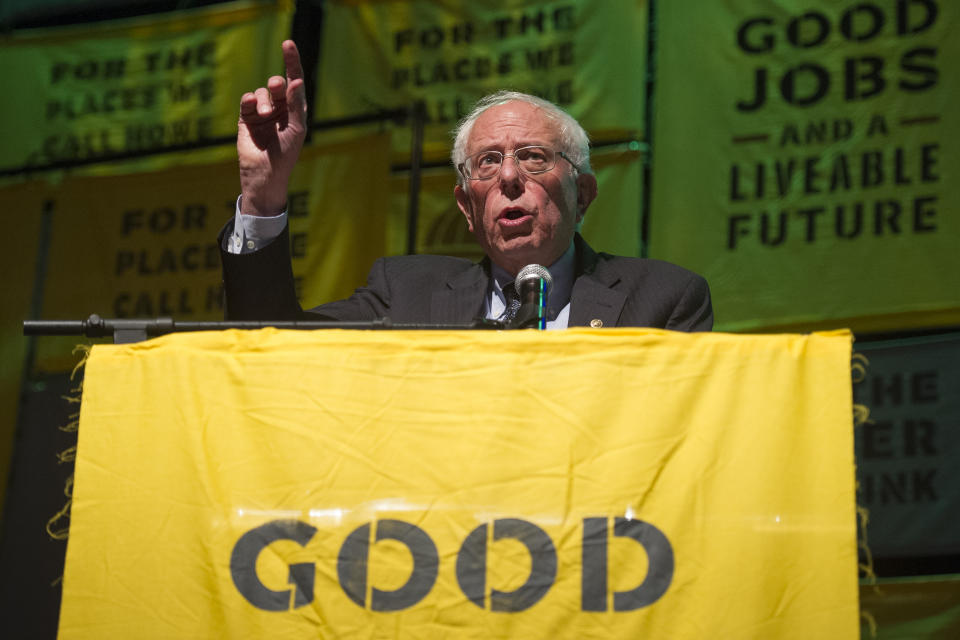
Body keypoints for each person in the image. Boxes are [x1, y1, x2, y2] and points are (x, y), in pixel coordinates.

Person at [219, 41, 712, 331]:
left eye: (534, 158)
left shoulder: (664, 300)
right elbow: (270, 342)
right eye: (488, 162)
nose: (510, 177)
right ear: (465, 205)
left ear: (582, 194)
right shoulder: (405, 294)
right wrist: (264, 194)